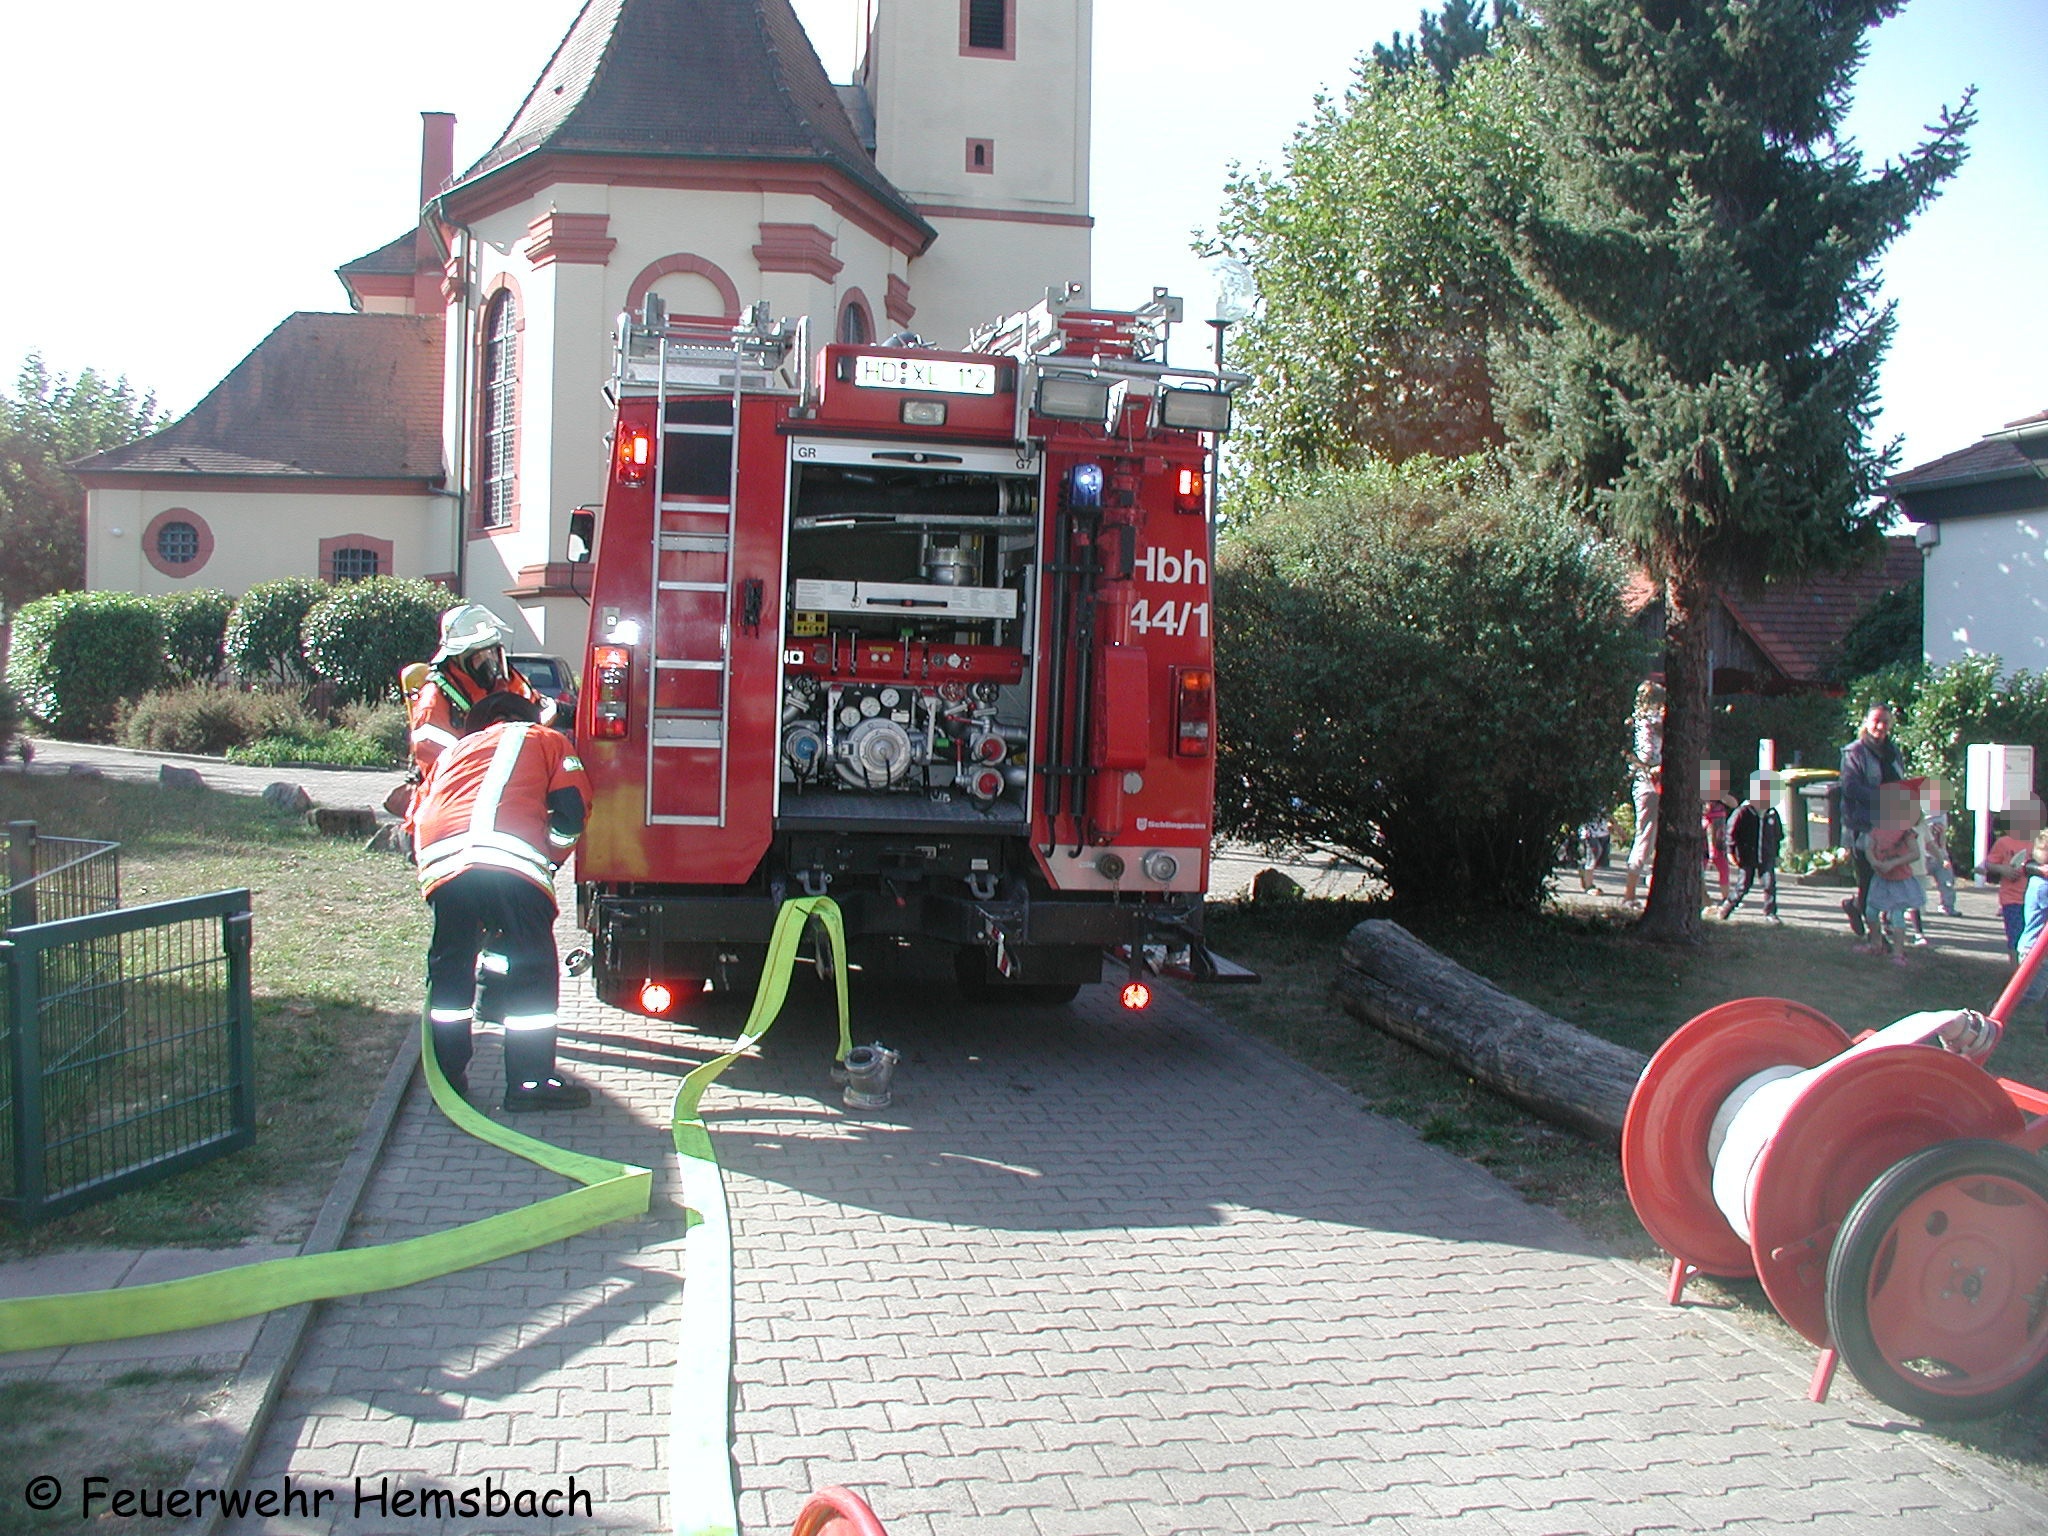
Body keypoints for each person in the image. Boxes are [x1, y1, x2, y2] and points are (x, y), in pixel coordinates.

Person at [412, 689, 592, 1112]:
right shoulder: (546, 740)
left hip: (445, 867)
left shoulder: (453, 752)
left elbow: (417, 814)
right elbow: (571, 810)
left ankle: (446, 1080)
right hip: (511, 863)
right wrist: (549, 860)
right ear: (528, 717)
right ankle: (529, 1084)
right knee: (532, 968)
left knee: (451, 969)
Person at [407, 604, 552, 785]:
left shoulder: (506, 682)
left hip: (513, 775)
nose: (488, 662)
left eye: (492, 653)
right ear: (458, 658)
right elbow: (437, 770)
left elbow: (538, 710)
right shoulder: (433, 702)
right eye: (479, 656)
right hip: (465, 787)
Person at [1838, 702, 1902, 938]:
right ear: (1866, 722)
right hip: (1863, 825)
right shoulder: (1855, 752)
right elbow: (1850, 787)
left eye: (1885, 722)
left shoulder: (1893, 751)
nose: (1881, 726)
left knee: (1886, 877)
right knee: (1868, 877)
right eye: (1876, 721)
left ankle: (1859, 908)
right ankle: (1874, 934)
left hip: (1889, 825)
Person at [1863, 781, 1925, 964]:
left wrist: (1894, 863)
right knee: (1871, 911)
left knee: (1897, 915)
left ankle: (1898, 952)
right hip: (1881, 877)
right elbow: (1869, 848)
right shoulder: (1877, 828)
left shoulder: (1906, 831)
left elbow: (1915, 853)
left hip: (1900, 879)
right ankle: (1876, 944)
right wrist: (1874, 862)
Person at [1979, 795, 2043, 964]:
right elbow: (1989, 864)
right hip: (2012, 899)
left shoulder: (2040, 841)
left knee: (2036, 940)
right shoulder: (2004, 842)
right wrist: (2003, 869)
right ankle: (2016, 972)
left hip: (2037, 899)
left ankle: (2034, 973)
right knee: (2016, 938)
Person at [1622, 680, 1665, 906]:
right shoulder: (1651, 723)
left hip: (1642, 784)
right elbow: (1648, 755)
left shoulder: (1636, 721)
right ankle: (1629, 894)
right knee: (1646, 836)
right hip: (1652, 784)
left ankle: (1644, 888)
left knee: (1649, 835)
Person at [1720, 773, 1784, 922]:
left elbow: (1777, 835)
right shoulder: (1744, 812)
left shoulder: (1772, 813)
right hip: (1747, 855)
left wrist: (1776, 853)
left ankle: (1770, 913)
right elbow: (1731, 832)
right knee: (1743, 885)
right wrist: (1730, 851)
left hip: (1766, 855)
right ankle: (1728, 906)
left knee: (1769, 884)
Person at [1700, 761, 1739, 908]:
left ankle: (1725, 897)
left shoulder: (1721, 796)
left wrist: (1721, 794)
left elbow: (1734, 804)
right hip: (1703, 833)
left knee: (1722, 864)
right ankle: (1701, 895)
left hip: (1718, 835)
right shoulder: (1699, 795)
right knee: (1701, 864)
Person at [1920, 777, 1959, 918]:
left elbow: (1942, 834)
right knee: (1918, 883)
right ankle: (1916, 908)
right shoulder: (1920, 811)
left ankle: (1947, 906)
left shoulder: (1942, 812)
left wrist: (1943, 852)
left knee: (1947, 881)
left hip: (1939, 852)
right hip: (1922, 853)